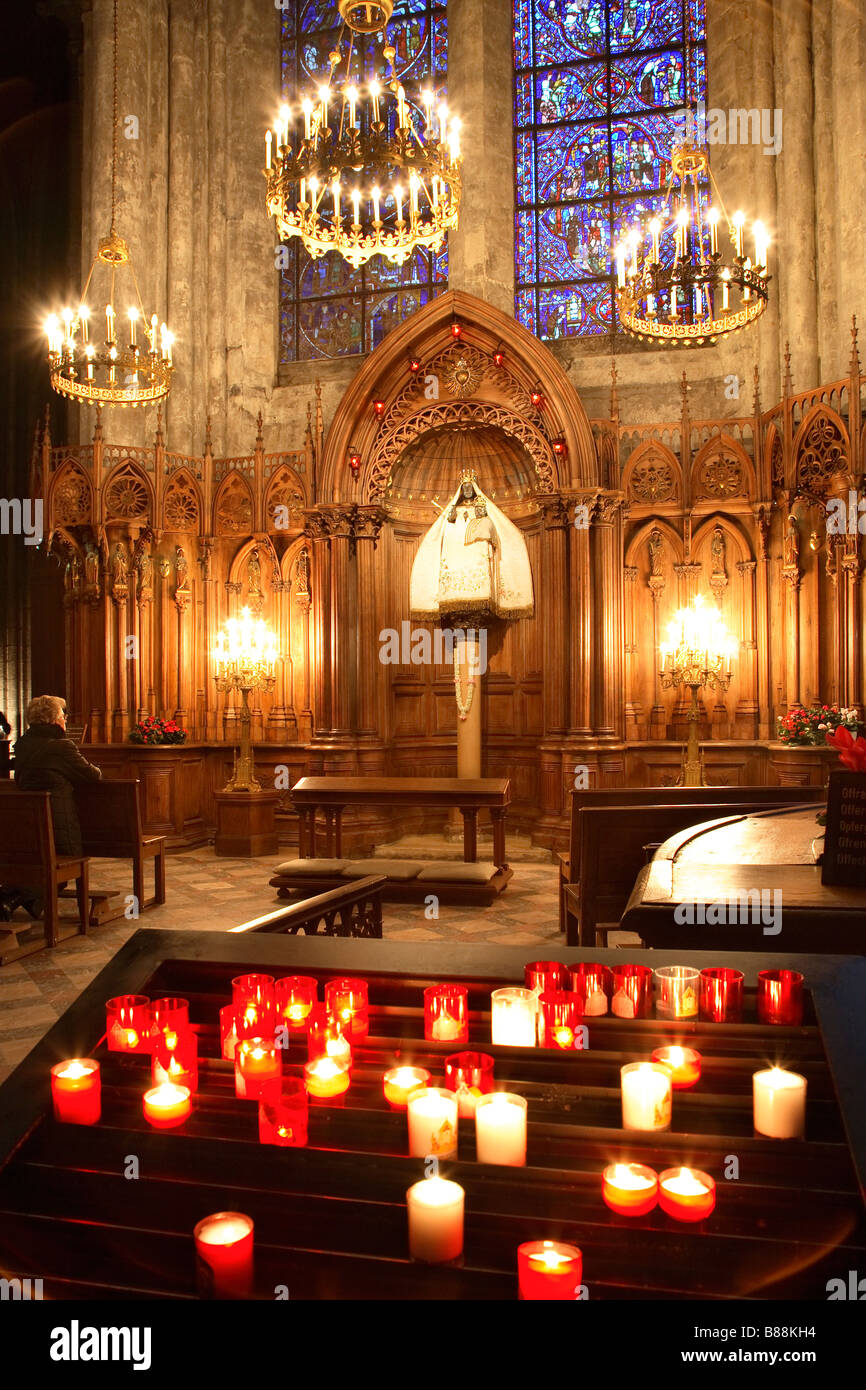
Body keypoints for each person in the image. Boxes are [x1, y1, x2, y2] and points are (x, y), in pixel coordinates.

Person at [0, 695, 102, 920]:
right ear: (56, 720)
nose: (65, 720)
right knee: (59, 870)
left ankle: (10, 896)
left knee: (41, 864)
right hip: (58, 826)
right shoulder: (62, 747)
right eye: (63, 716)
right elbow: (93, 776)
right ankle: (12, 898)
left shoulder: (23, 745)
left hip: (27, 829)